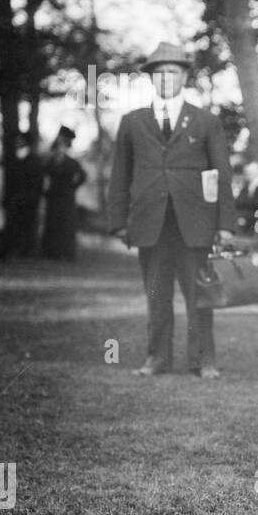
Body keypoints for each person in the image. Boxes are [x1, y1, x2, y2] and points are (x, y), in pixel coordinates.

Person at [107, 43, 235, 378]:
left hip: (196, 222)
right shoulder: (132, 121)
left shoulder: (205, 121)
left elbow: (221, 173)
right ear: (151, 78)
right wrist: (118, 221)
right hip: (150, 222)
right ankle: (157, 358)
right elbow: (120, 174)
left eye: (173, 72)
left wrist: (226, 224)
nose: (166, 78)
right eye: (159, 73)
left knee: (200, 296)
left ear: (184, 76)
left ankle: (203, 360)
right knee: (156, 296)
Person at [41, 126, 87, 261]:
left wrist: (72, 187)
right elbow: (46, 176)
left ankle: (66, 253)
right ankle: (52, 252)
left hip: (66, 198)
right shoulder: (51, 160)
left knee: (65, 225)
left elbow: (83, 176)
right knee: (53, 224)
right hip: (53, 197)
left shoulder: (72, 162)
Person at [3, 137, 46, 257]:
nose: (18, 143)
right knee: (14, 225)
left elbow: (38, 183)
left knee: (26, 226)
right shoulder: (16, 159)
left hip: (28, 200)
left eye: (21, 141)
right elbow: (11, 182)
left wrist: (33, 198)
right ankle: (12, 249)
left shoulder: (34, 160)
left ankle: (25, 251)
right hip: (15, 199)